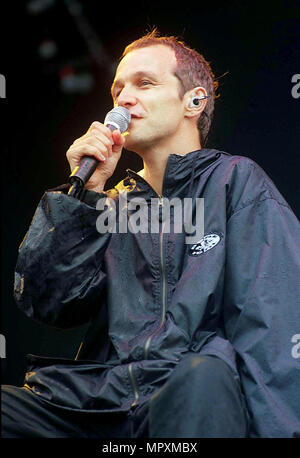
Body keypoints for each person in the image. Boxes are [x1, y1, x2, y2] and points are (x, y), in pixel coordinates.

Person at [2, 29, 300, 438]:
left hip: (190, 392)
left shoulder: (236, 182)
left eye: (144, 83)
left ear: (194, 101)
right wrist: (82, 198)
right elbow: (49, 302)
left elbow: (272, 327)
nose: (123, 99)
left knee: (205, 373)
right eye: (118, 88)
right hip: (103, 401)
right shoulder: (108, 204)